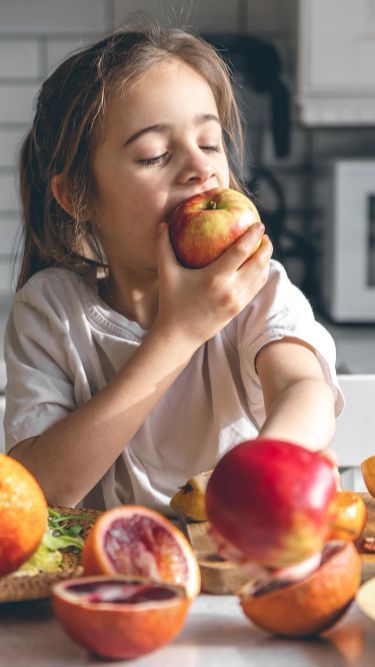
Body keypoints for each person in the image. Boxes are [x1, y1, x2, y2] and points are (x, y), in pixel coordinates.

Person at [3, 23, 343, 516]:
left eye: (209, 143)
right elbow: (39, 493)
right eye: (155, 155)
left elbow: (303, 388)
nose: (199, 168)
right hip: (107, 579)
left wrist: (265, 468)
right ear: (78, 195)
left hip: (229, 571)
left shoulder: (255, 288)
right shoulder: (51, 311)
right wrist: (180, 333)